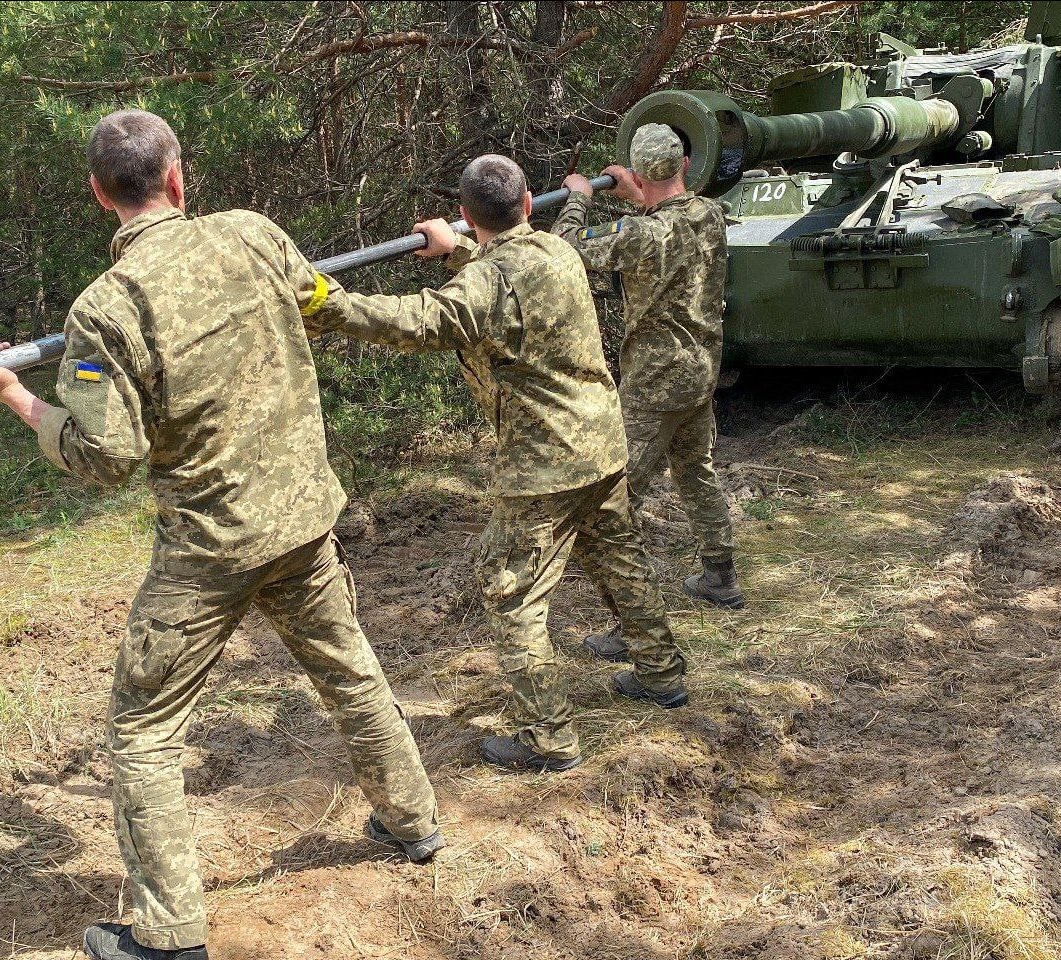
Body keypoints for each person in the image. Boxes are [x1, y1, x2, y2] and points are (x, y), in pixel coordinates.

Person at [0, 109, 443, 960]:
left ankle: (170, 934)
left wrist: (13, 396)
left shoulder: (105, 310)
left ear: (98, 194)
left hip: (210, 551)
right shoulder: (255, 235)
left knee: (143, 731)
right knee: (351, 672)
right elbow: (317, 301)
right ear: (177, 176)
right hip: (302, 522)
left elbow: (105, 457)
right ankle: (413, 823)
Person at [304, 154, 689, 774]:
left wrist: (325, 300)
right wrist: (456, 248)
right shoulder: (558, 253)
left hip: (545, 466)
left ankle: (549, 737)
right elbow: (504, 280)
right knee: (618, 558)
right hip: (601, 444)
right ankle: (662, 672)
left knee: (512, 598)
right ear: (529, 203)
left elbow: (421, 321)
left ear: (466, 214)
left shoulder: (489, 281)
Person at [552, 122, 743, 663]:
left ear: (638, 173)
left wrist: (579, 198)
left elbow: (568, 252)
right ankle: (719, 574)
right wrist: (639, 195)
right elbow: (669, 221)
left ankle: (631, 625)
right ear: (684, 165)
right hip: (701, 370)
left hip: (654, 383)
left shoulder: (637, 236)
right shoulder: (709, 215)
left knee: (613, 502)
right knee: (694, 470)